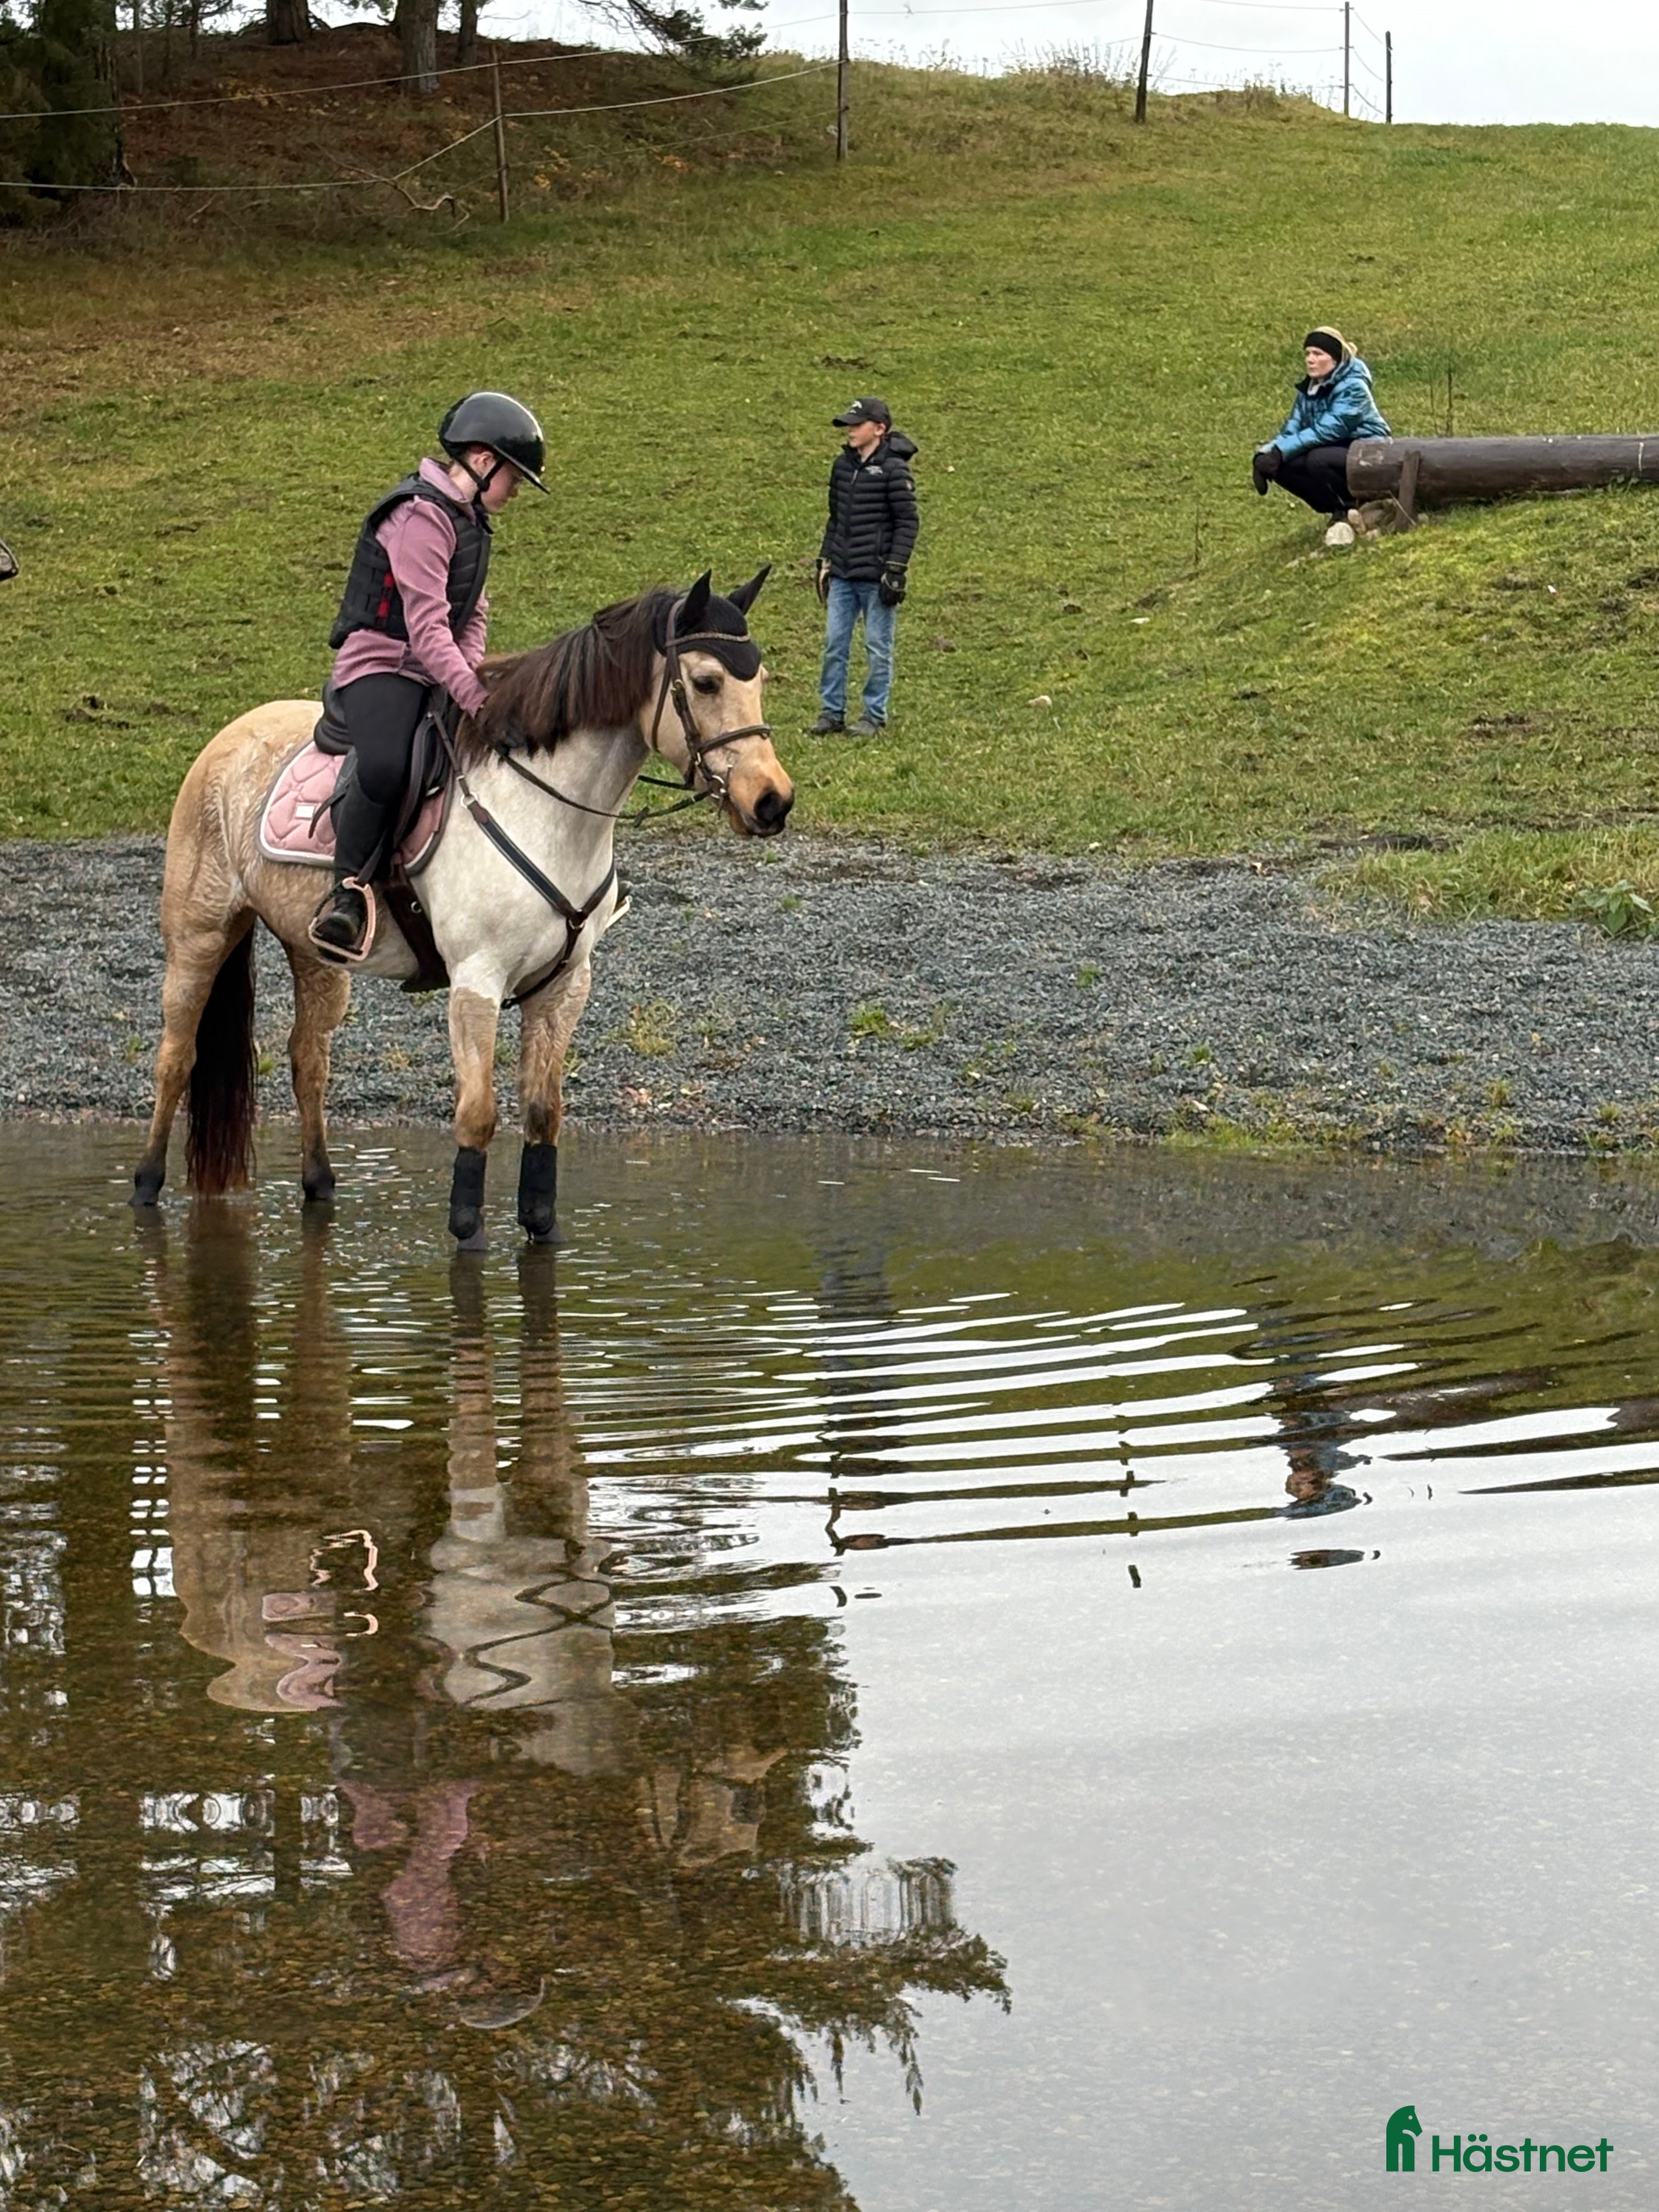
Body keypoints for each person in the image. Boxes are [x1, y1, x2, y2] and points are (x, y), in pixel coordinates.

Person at [308, 390, 548, 962]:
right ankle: (348, 892)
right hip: (380, 664)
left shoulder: (471, 523)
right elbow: (426, 627)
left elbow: (473, 613)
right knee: (388, 765)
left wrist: (472, 675)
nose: (516, 490)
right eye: (514, 477)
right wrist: (473, 695)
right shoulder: (419, 518)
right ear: (483, 461)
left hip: (436, 668)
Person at [809, 396, 918, 738]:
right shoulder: (842, 467)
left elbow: (908, 522)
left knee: (877, 647)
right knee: (834, 645)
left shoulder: (894, 470)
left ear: (879, 429)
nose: (851, 430)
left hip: (876, 576)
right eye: (849, 425)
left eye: (858, 424)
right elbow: (835, 518)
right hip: (842, 573)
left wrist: (895, 568)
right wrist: (825, 560)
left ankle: (874, 715)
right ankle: (832, 713)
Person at [1252, 328, 1390, 546]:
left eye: (1318, 354)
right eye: (1308, 354)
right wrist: (1265, 455)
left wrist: (1280, 451)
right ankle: (1338, 509)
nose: (1310, 360)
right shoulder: (1309, 389)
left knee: (1317, 460)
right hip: (1333, 448)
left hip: (1370, 450)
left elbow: (1330, 429)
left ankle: (1357, 504)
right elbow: (1291, 429)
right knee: (1283, 466)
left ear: (1335, 359)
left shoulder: (1354, 386)